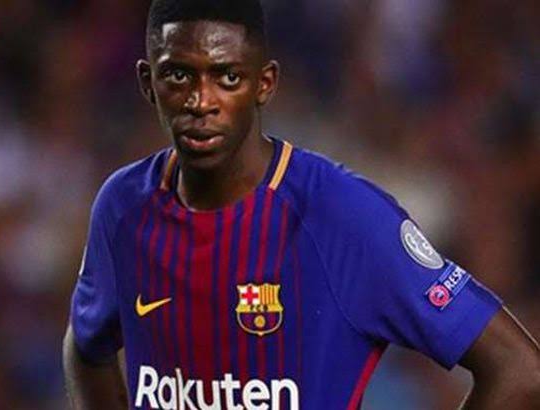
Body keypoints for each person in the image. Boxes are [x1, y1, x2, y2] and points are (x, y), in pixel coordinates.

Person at [62, 0, 540, 408]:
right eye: (179, 75)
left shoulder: (341, 216)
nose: (201, 101)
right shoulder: (123, 207)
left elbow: (519, 370)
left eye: (228, 76)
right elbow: (86, 348)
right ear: (148, 82)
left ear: (265, 83)